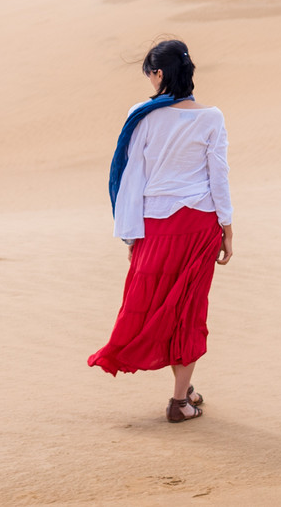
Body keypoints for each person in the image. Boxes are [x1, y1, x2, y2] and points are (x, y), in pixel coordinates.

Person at [86, 38, 233, 422]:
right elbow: (219, 177)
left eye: (150, 74)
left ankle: (182, 396)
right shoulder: (212, 116)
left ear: (160, 74)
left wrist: (130, 233)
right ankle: (180, 399)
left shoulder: (143, 114)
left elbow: (134, 177)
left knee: (155, 305)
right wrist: (227, 228)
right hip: (200, 224)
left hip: (156, 226)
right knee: (188, 308)